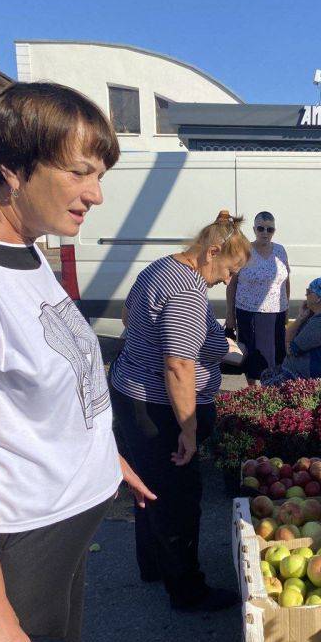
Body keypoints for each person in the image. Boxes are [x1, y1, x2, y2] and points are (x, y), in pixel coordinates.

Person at [0, 81, 154, 642]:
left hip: (63, 536)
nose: (96, 193)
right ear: (12, 167)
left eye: (101, 174)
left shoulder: (29, 253)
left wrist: (102, 454)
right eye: (81, 171)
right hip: (17, 556)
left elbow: (51, 386)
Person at [110, 211, 251, 611]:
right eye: (229, 269)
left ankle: (155, 565)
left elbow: (127, 317)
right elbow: (179, 365)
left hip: (131, 391)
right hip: (156, 408)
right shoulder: (188, 293)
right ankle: (188, 591)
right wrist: (188, 431)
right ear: (212, 252)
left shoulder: (161, 267)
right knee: (178, 497)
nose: (228, 280)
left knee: (149, 485)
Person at [225, 210, 289, 384]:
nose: (265, 233)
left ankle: (271, 389)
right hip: (250, 312)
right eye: (261, 228)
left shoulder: (280, 250)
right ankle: (253, 391)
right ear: (254, 229)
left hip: (277, 313)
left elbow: (286, 280)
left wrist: (287, 307)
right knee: (252, 355)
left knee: (276, 355)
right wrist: (230, 315)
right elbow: (231, 284)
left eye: (270, 229)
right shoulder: (244, 251)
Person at [261, 278, 321, 385]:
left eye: (308, 292)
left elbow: (290, 349)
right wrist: (300, 318)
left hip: (319, 381)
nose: (305, 294)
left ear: (318, 298)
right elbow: (288, 339)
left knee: (268, 381)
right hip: (314, 374)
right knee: (267, 374)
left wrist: (299, 321)